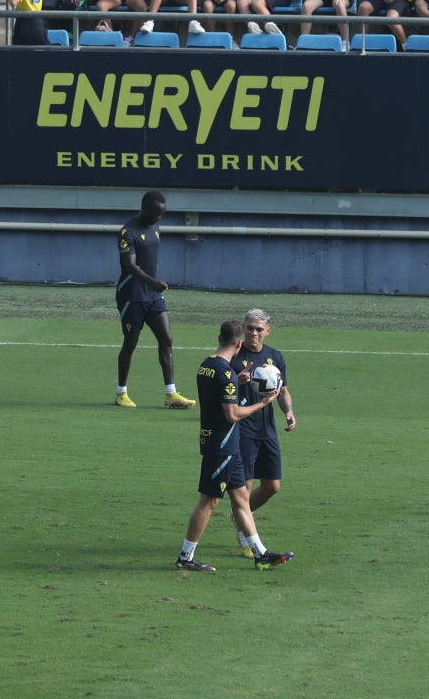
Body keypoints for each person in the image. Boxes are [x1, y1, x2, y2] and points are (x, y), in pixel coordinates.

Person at [175, 320, 276, 573]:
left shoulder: (207, 366)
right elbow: (232, 415)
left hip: (226, 444)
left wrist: (238, 382)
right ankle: (186, 556)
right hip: (222, 445)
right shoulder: (226, 372)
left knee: (241, 499)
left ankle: (261, 553)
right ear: (239, 344)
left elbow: (215, 394)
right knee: (209, 500)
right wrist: (262, 404)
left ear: (219, 337)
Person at [115, 190, 194, 410]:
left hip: (153, 296)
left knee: (166, 338)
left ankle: (171, 394)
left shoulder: (154, 228)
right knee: (130, 342)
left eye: (162, 214)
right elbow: (130, 266)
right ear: (144, 208)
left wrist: (153, 286)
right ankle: (121, 392)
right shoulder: (128, 232)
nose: (159, 218)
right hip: (132, 296)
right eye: (156, 214)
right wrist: (153, 281)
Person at [234, 308, 296, 567]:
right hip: (243, 430)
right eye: (250, 328)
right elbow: (222, 390)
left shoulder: (275, 357)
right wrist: (238, 382)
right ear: (243, 328)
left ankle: (240, 515)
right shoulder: (234, 355)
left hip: (267, 430)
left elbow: (283, 391)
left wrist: (288, 411)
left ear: (267, 331)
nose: (254, 333)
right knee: (245, 488)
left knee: (272, 486)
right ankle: (246, 537)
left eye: (259, 329)